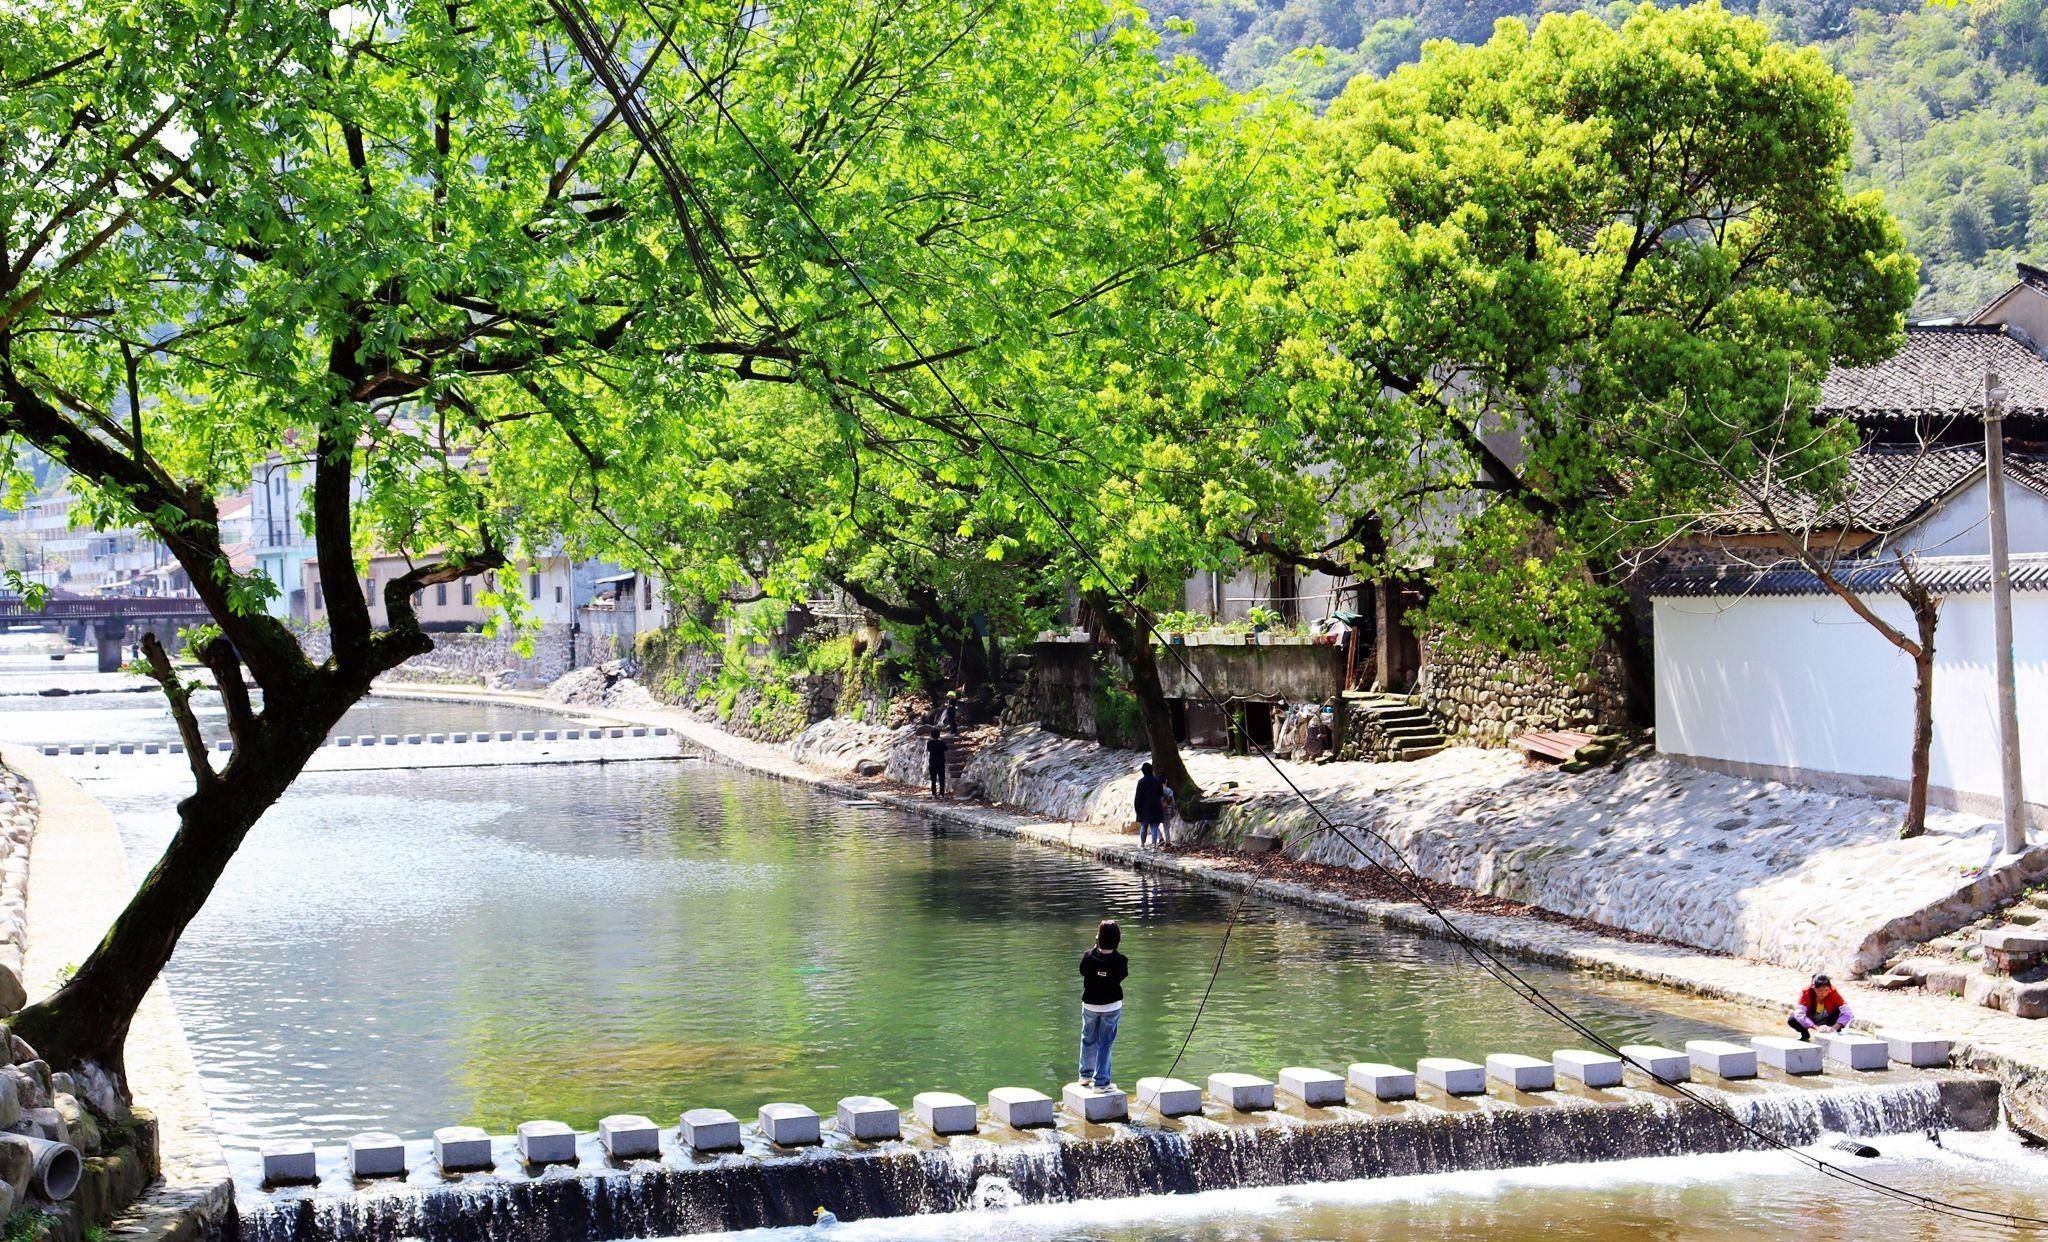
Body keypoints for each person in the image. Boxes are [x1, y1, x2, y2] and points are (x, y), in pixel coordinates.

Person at [1078, 919, 1128, 1091]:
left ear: (1098, 937)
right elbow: (1121, 977)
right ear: (1118, 939)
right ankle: (1101, 1082)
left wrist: (1095, 947)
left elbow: (1082, 971)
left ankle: (1085, 1075)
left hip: (1090, 1005)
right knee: (1105, 1043)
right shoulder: (1121, 960)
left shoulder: (1088, 956)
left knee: (1088, 1039)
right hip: (1111, 1007)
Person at [1788, 973, 1854, 1040]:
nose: (1823, 993)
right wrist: (1815, 1027)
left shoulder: (1833, 992)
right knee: (1792, 1019)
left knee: (1839, 1011)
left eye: (1826, 990)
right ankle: (1805, 1035)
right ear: (1814, 988)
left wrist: (1835, 1027)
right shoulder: (1806, 993)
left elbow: (1848, 1012)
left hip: (1828, 1019)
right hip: (1812, 1018)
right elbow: (1799, 1014)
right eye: (1820, 990)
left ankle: (1835, 1033)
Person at [1133, 762, 1169, 848]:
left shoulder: (1141, 782)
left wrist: (1137, 808)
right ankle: (1153, 845)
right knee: (1154, 826)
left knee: (1144, 827)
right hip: (1155, 806)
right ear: (1151, 770)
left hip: (1144, 807)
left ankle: (1142, 844)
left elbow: (1138, 796)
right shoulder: (1157, 781)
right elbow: (1160, 793)